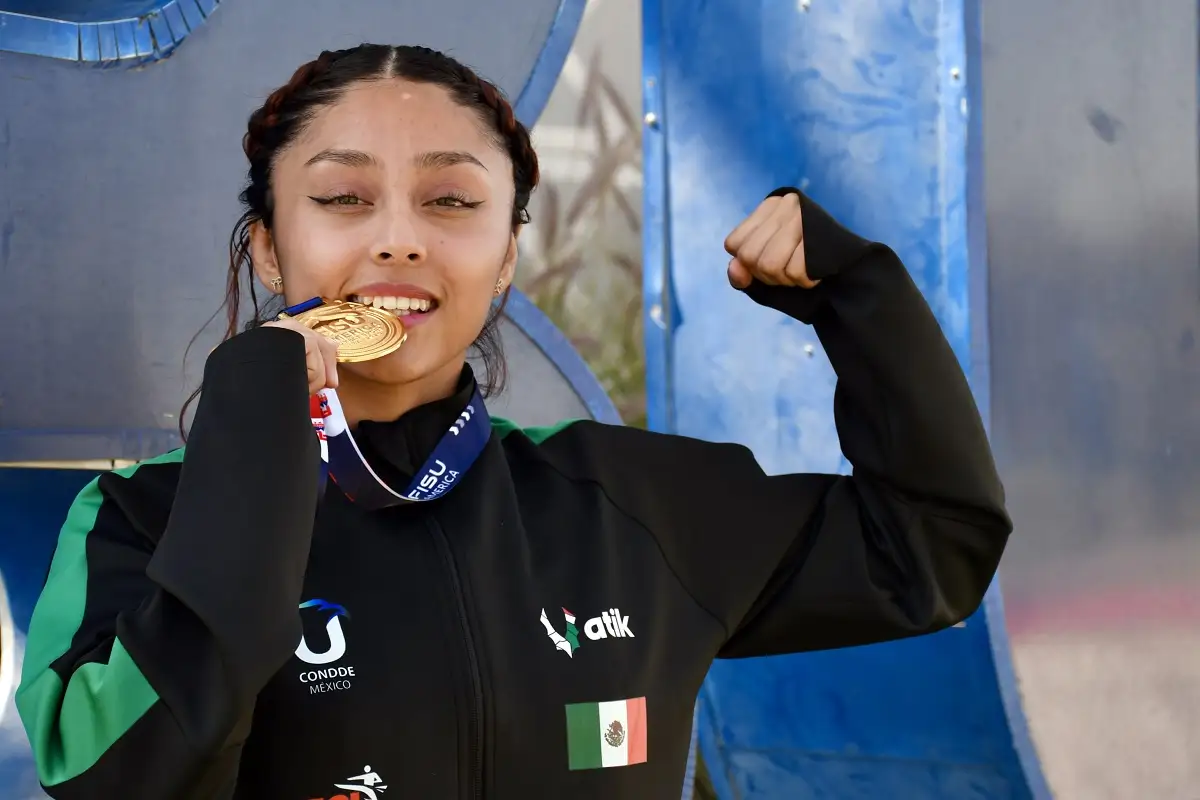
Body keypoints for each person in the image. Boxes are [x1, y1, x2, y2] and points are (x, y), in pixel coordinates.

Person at [14, 44, 1011, 799]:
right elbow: (117, 778)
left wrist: (859, 298)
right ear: (270, 249)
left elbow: (930, 548)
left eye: (451, 200)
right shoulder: (141, 521)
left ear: (505, 259)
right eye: (343, 196)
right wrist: (248, 438)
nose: (400, 238)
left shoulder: (633, 506)